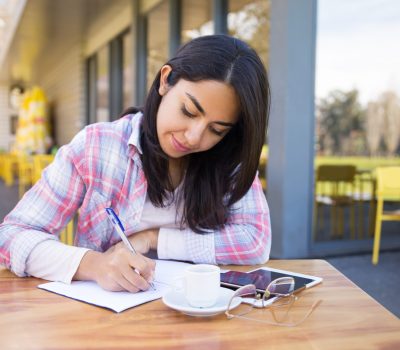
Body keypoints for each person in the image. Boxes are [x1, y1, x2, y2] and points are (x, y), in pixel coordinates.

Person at [0, 35, 271, 293]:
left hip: (201, 318)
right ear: (165, 80)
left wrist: (153, 239)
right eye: (188, 111)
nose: (193, 137)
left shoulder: (227, 159)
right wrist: (94, 265)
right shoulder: (98, 146)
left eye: (217, 129)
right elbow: (12, 236)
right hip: (109, 321)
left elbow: (255, 241)